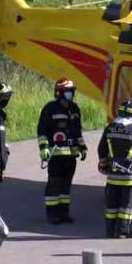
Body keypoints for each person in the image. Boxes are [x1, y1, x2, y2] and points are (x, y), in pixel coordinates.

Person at [97, 99, 132, 238]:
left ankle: (109, 231)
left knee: (111, 206)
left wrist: (103, 163)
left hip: (113, 176)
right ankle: (122, 231)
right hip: (130, 177)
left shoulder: (109, 127)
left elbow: (101, 149)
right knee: (126, 207)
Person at [37, 77, 87, 224]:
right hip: (56, 153)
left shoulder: (74, 108)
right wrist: (43, 148)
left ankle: (64, 213)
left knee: (66, 184)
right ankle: (52, 214)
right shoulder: (50, 108)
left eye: (72, 91)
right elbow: (42, 130)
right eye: (68, 91)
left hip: (71, 154)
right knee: (54, 184)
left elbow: (78, 131)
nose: (71, 94)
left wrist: (82, 147)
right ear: (59, 92)